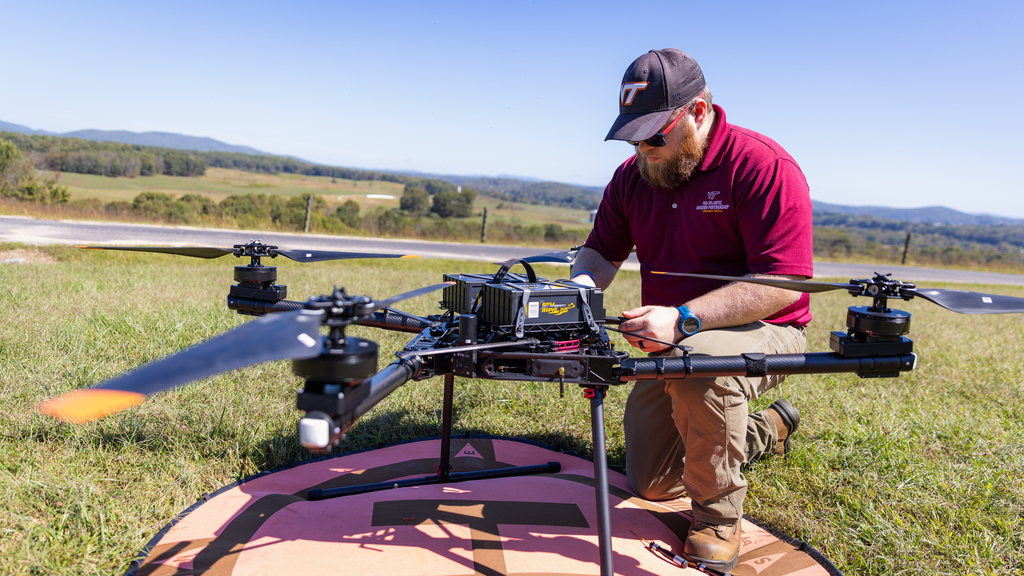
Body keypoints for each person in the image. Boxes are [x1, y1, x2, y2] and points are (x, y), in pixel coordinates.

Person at [569, 48, 813, 572]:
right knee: (653, 483)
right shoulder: (632, 178)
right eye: (634, 137)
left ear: (699, 112)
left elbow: (785, 283)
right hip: (674, 336)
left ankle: (718, 519)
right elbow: (600, 253)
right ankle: (765, 429)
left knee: (701, 370)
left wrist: (681, 319)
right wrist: (576, 293)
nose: (644, 150)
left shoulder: (763, 166)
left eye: (655, 135)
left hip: (767, 330)